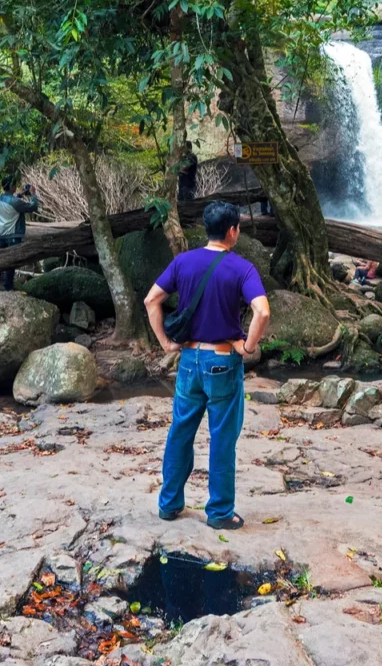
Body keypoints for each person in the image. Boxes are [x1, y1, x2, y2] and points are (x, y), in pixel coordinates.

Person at [144, 201, 271, 531]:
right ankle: (219, 512)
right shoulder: (242, 268)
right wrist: (249, 346)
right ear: (232, 231)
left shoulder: (183, 262)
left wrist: (165, 343)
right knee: (222, 438)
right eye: (238, 228)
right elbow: (262, 311)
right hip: (223, 361)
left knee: (180, 433)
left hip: (189, 361)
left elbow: (151, 299)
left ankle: (169, 504)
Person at [0, 177, 40, 290]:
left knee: (0, 257)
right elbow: (33, 206)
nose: (16, 186)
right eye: (15, 184)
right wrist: (33, 194)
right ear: (12, 187)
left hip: (0, 233)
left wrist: (20, 194)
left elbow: (11, 201)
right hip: (13, 234)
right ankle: (8, 287)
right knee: (12, 261)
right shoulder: (15, 202)